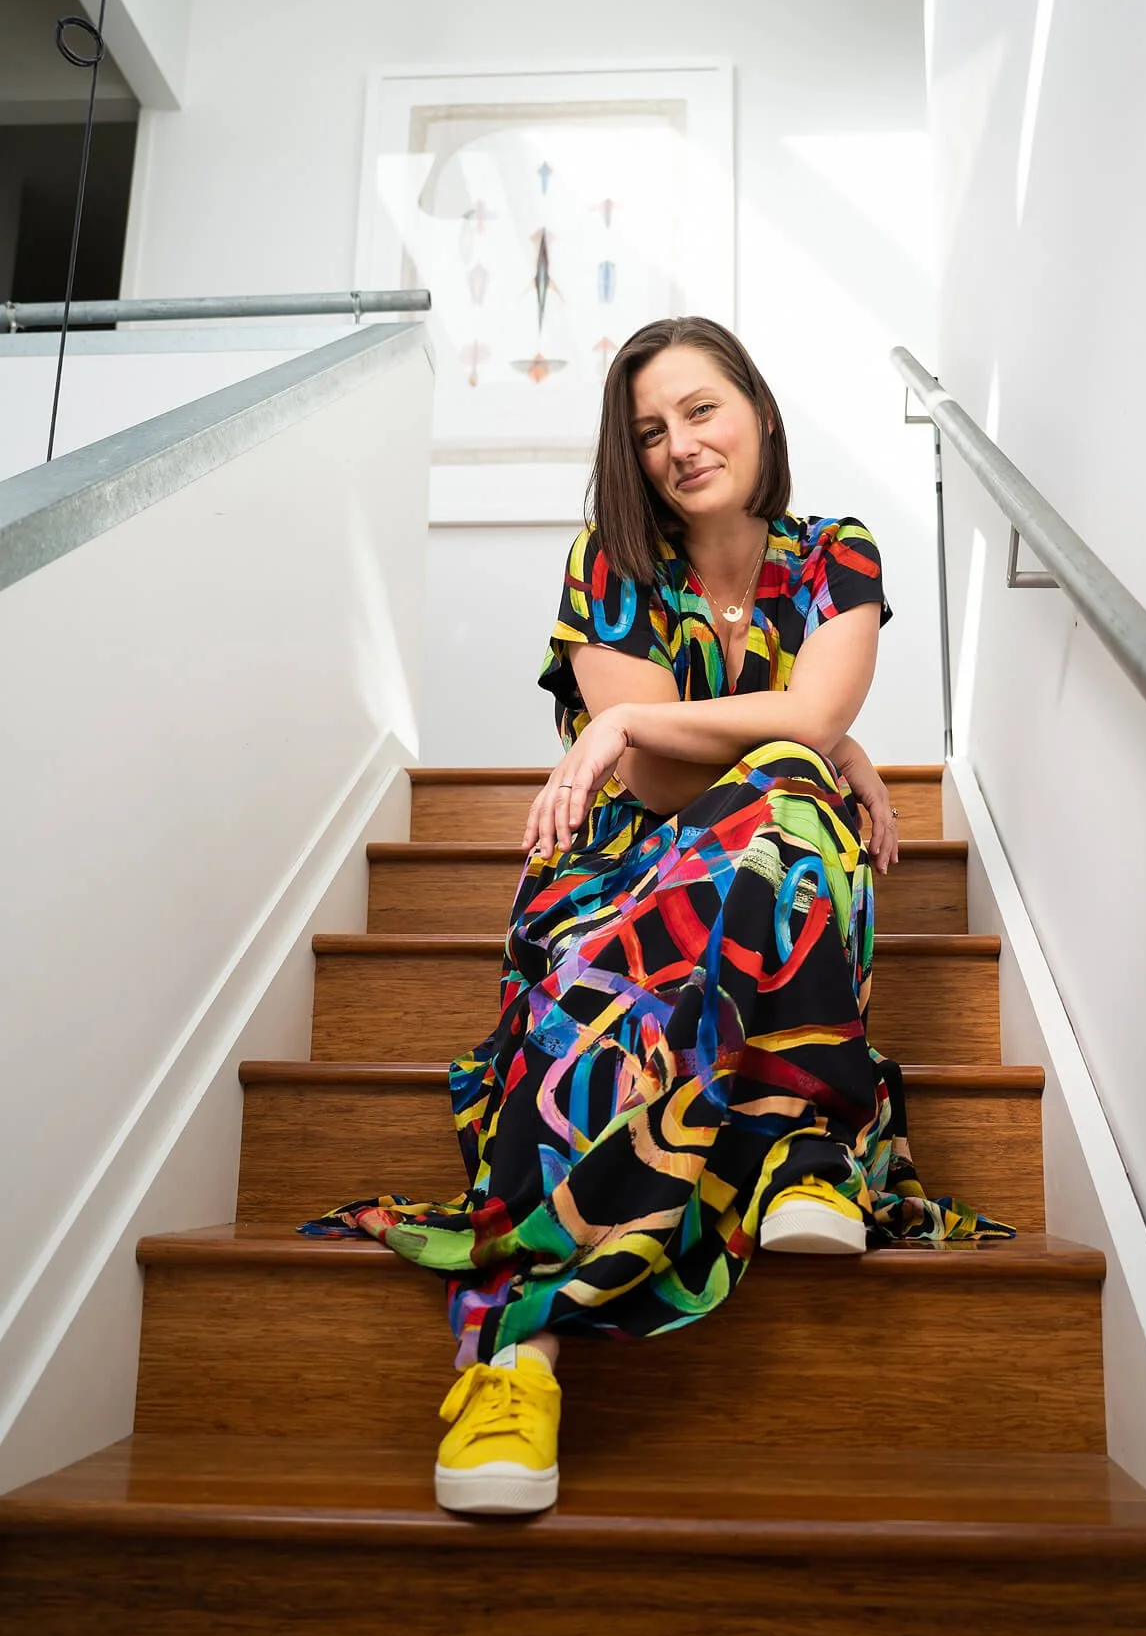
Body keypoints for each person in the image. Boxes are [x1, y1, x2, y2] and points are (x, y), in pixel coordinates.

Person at [301, 316, 1010, 1517]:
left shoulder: (835, 552)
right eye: (647, 430)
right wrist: (802, 734)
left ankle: (792, 1143)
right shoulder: (608, 565)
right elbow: (668, 790)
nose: (677, 444)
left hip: (774, 865)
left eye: (699, 409)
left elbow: (802, 708)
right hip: (622, 868)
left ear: (760, 413)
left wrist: (643, 719)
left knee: (787, 803)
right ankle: (520, 1352)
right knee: (602, 988)